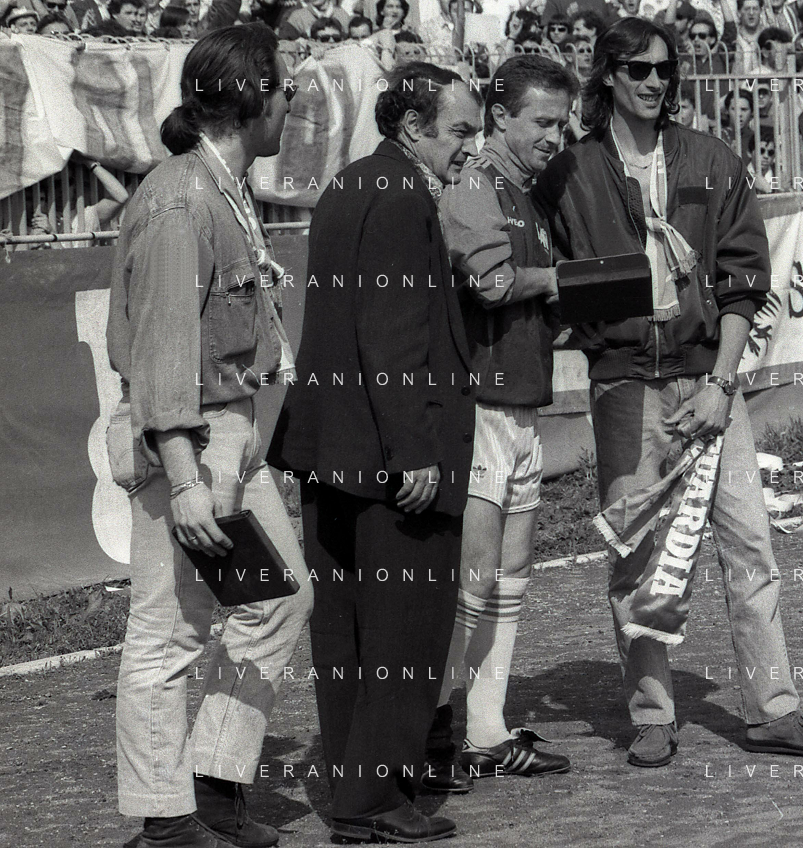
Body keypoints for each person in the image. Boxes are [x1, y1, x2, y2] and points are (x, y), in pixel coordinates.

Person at [533, 16, 803, 769]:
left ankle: (774, 710)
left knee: (749, 546)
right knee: (636, 556)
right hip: (623, 386)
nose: (654, 81)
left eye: (664, 69)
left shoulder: (711, 159)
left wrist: (721, 384)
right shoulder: (569, 172)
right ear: (608, 75)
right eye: (638, 69)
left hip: (709, 383)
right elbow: (547, 277)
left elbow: (743, 283)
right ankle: (652, 714)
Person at [105, 23, 311, 848]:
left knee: (280, 598)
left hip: (231, 431)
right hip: (186, 439)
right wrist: (186, 479)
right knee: (169, 632)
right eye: (285, 87)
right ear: (252, 97)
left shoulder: (223, 186)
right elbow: (163, 353)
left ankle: (215, 784)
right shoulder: (181, 200)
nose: (292, 101)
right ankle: (164, 822)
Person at [266, 61, 481, 845]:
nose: (470, 147)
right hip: (389, 458)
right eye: (459, 131)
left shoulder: (350, 184)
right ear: (413, 127)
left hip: (335, 449)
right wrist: (412, 449)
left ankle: (357, 794)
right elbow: (391, 331)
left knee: (348, 634)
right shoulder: (399, 197)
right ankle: (374, 798)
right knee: (404, 633)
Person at [423, 54, 578, 794]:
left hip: (521, 403)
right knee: (473, 577)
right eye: (542, 121)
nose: (555, 136)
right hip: (479, 405)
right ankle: (433, 736)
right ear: (500, 116)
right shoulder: (475, 183)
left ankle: (486, 730)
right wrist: (561, 281)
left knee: (510, 574)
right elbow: (488, 284)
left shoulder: (526, 193)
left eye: (562, 123)